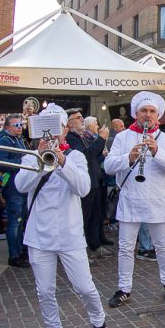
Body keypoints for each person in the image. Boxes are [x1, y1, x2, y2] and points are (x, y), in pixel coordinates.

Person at [14, 103, 113, 328]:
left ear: (63, 129)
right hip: (39, 236)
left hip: (69, 235)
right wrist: (40, 161)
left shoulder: (76, 156)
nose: (50, 135)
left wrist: (61, 160)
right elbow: (21, 186)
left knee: (84, 287)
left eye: (54, 129)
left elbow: (83, 188)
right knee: (45, 290)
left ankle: (99, 324)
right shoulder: (29, 156)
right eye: (44, 130)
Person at [103, 91, 165, 307]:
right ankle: (124, 288)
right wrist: (128, 157)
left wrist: (158, 152)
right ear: (135, 113)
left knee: (162, 246)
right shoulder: (122, 137)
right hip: (130, 200)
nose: (147, 115)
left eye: (152, 112)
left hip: (156, 200)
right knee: (126, 247)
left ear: (158, 116)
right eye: (143, 111)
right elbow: (108, 166)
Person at [66, 108, 111, 258]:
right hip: (86, 182)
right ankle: (82, 250)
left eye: (81, 117)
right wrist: (101, 139)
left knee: (95, 215)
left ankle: (95, 245)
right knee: (84, 217)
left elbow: (93, 155)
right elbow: (86, 155)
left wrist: (100, 148)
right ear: (70, 123)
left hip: (94, 179)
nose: (82, 120)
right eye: (78, 118)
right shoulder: (71, 138)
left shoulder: (83, 136)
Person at [0, 115, 30, 267]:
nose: (20, 127)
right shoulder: (4, 141)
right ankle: (13, 255)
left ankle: (20, 251)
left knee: (20, 222)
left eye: (21, 124)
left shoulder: (19, 140)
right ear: (7, 127)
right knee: (14, 223)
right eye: (16, 125)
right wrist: (21, 162)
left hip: (21, 187)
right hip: (13, 188)